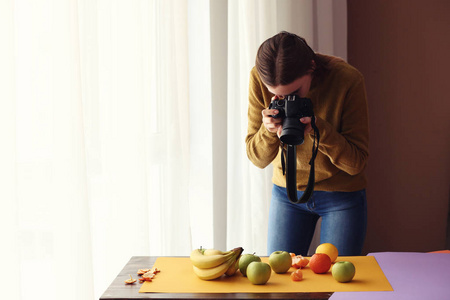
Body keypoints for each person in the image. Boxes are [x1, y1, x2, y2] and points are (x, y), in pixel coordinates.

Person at [245, 31, 369, 256]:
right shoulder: (260, 78)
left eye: (293, 93)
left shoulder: (347, 80)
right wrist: (269, 129)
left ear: (311, 68)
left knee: (337, 286)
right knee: (281, 283)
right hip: (287, 192)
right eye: (278, 96)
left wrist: (319, 130)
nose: (286, 100)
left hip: (341, 195)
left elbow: (356, 163)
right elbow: (257, 158)